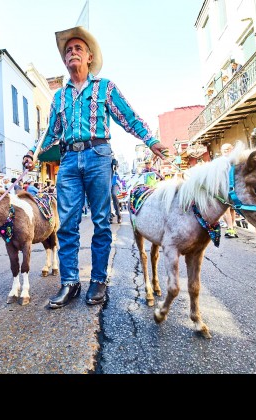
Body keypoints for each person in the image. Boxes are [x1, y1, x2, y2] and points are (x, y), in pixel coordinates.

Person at [22, 26, 168, 309]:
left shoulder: (105, 88)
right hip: (67, 161)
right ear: (65, 61)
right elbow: (50, 133)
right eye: (68, 51)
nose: (72, 53)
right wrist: (31, 153)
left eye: (77, 49)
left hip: (98, 155)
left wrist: (151, 141)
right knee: (67, 224)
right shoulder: (59, 97)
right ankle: (70, 282)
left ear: (89, 57)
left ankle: (99, 280)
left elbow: (129, 118)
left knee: (101, 221)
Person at [219, 143, 239, 238]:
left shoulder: (235, 160)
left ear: (232, 149)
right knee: (227, 209)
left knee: (229, 209)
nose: (226, 151)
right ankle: (231, 226)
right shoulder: (222, 161)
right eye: (224, 150)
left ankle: (230, 227)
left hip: (231, 187)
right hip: (225, 187)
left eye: (228, 149)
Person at [111, 158, 122, 224]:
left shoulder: (116, 172)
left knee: (114, 194)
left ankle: (118, 214)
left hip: (115, 183)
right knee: (106, 198)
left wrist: (114, 165)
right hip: (107, 182)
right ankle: (110, 215)